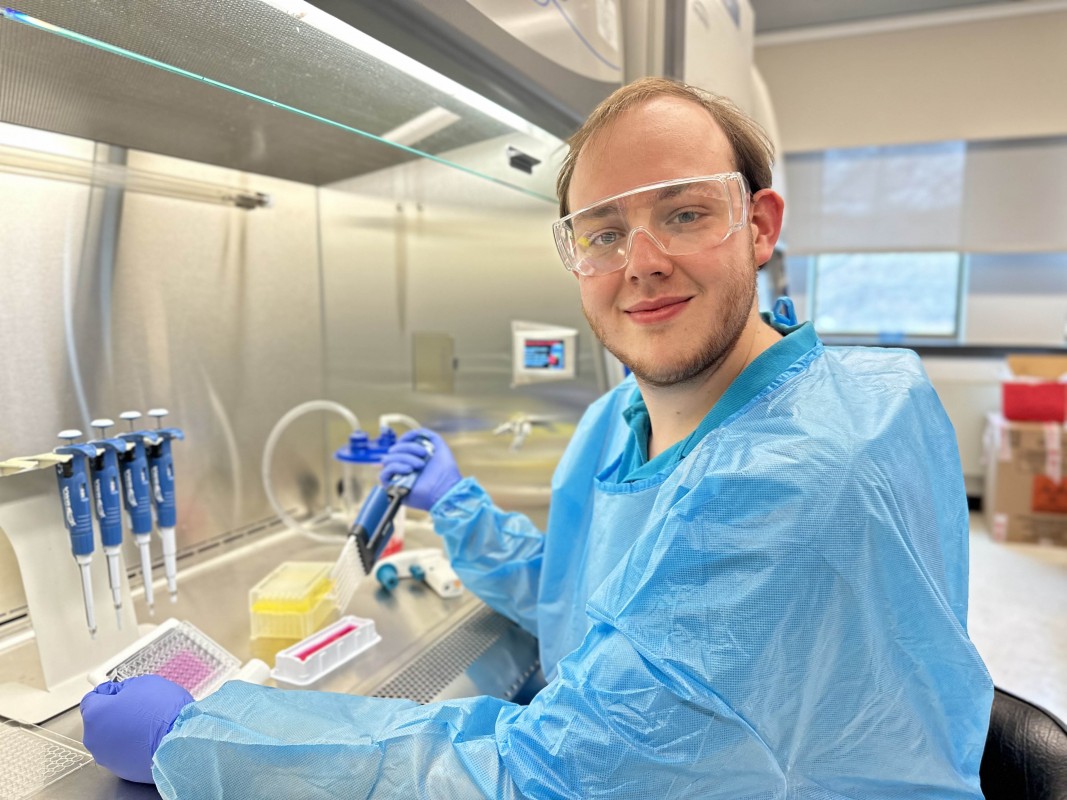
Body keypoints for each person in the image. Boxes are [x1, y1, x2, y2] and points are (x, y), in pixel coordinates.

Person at [81, 77, 993, 798]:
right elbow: (595, 600)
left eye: (683, 212)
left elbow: (551, 779)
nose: (639, 262)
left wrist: (203, 735)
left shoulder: (803, 467)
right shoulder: (626, 415)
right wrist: (463, 508)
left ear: (757, 226)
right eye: (602, 232)